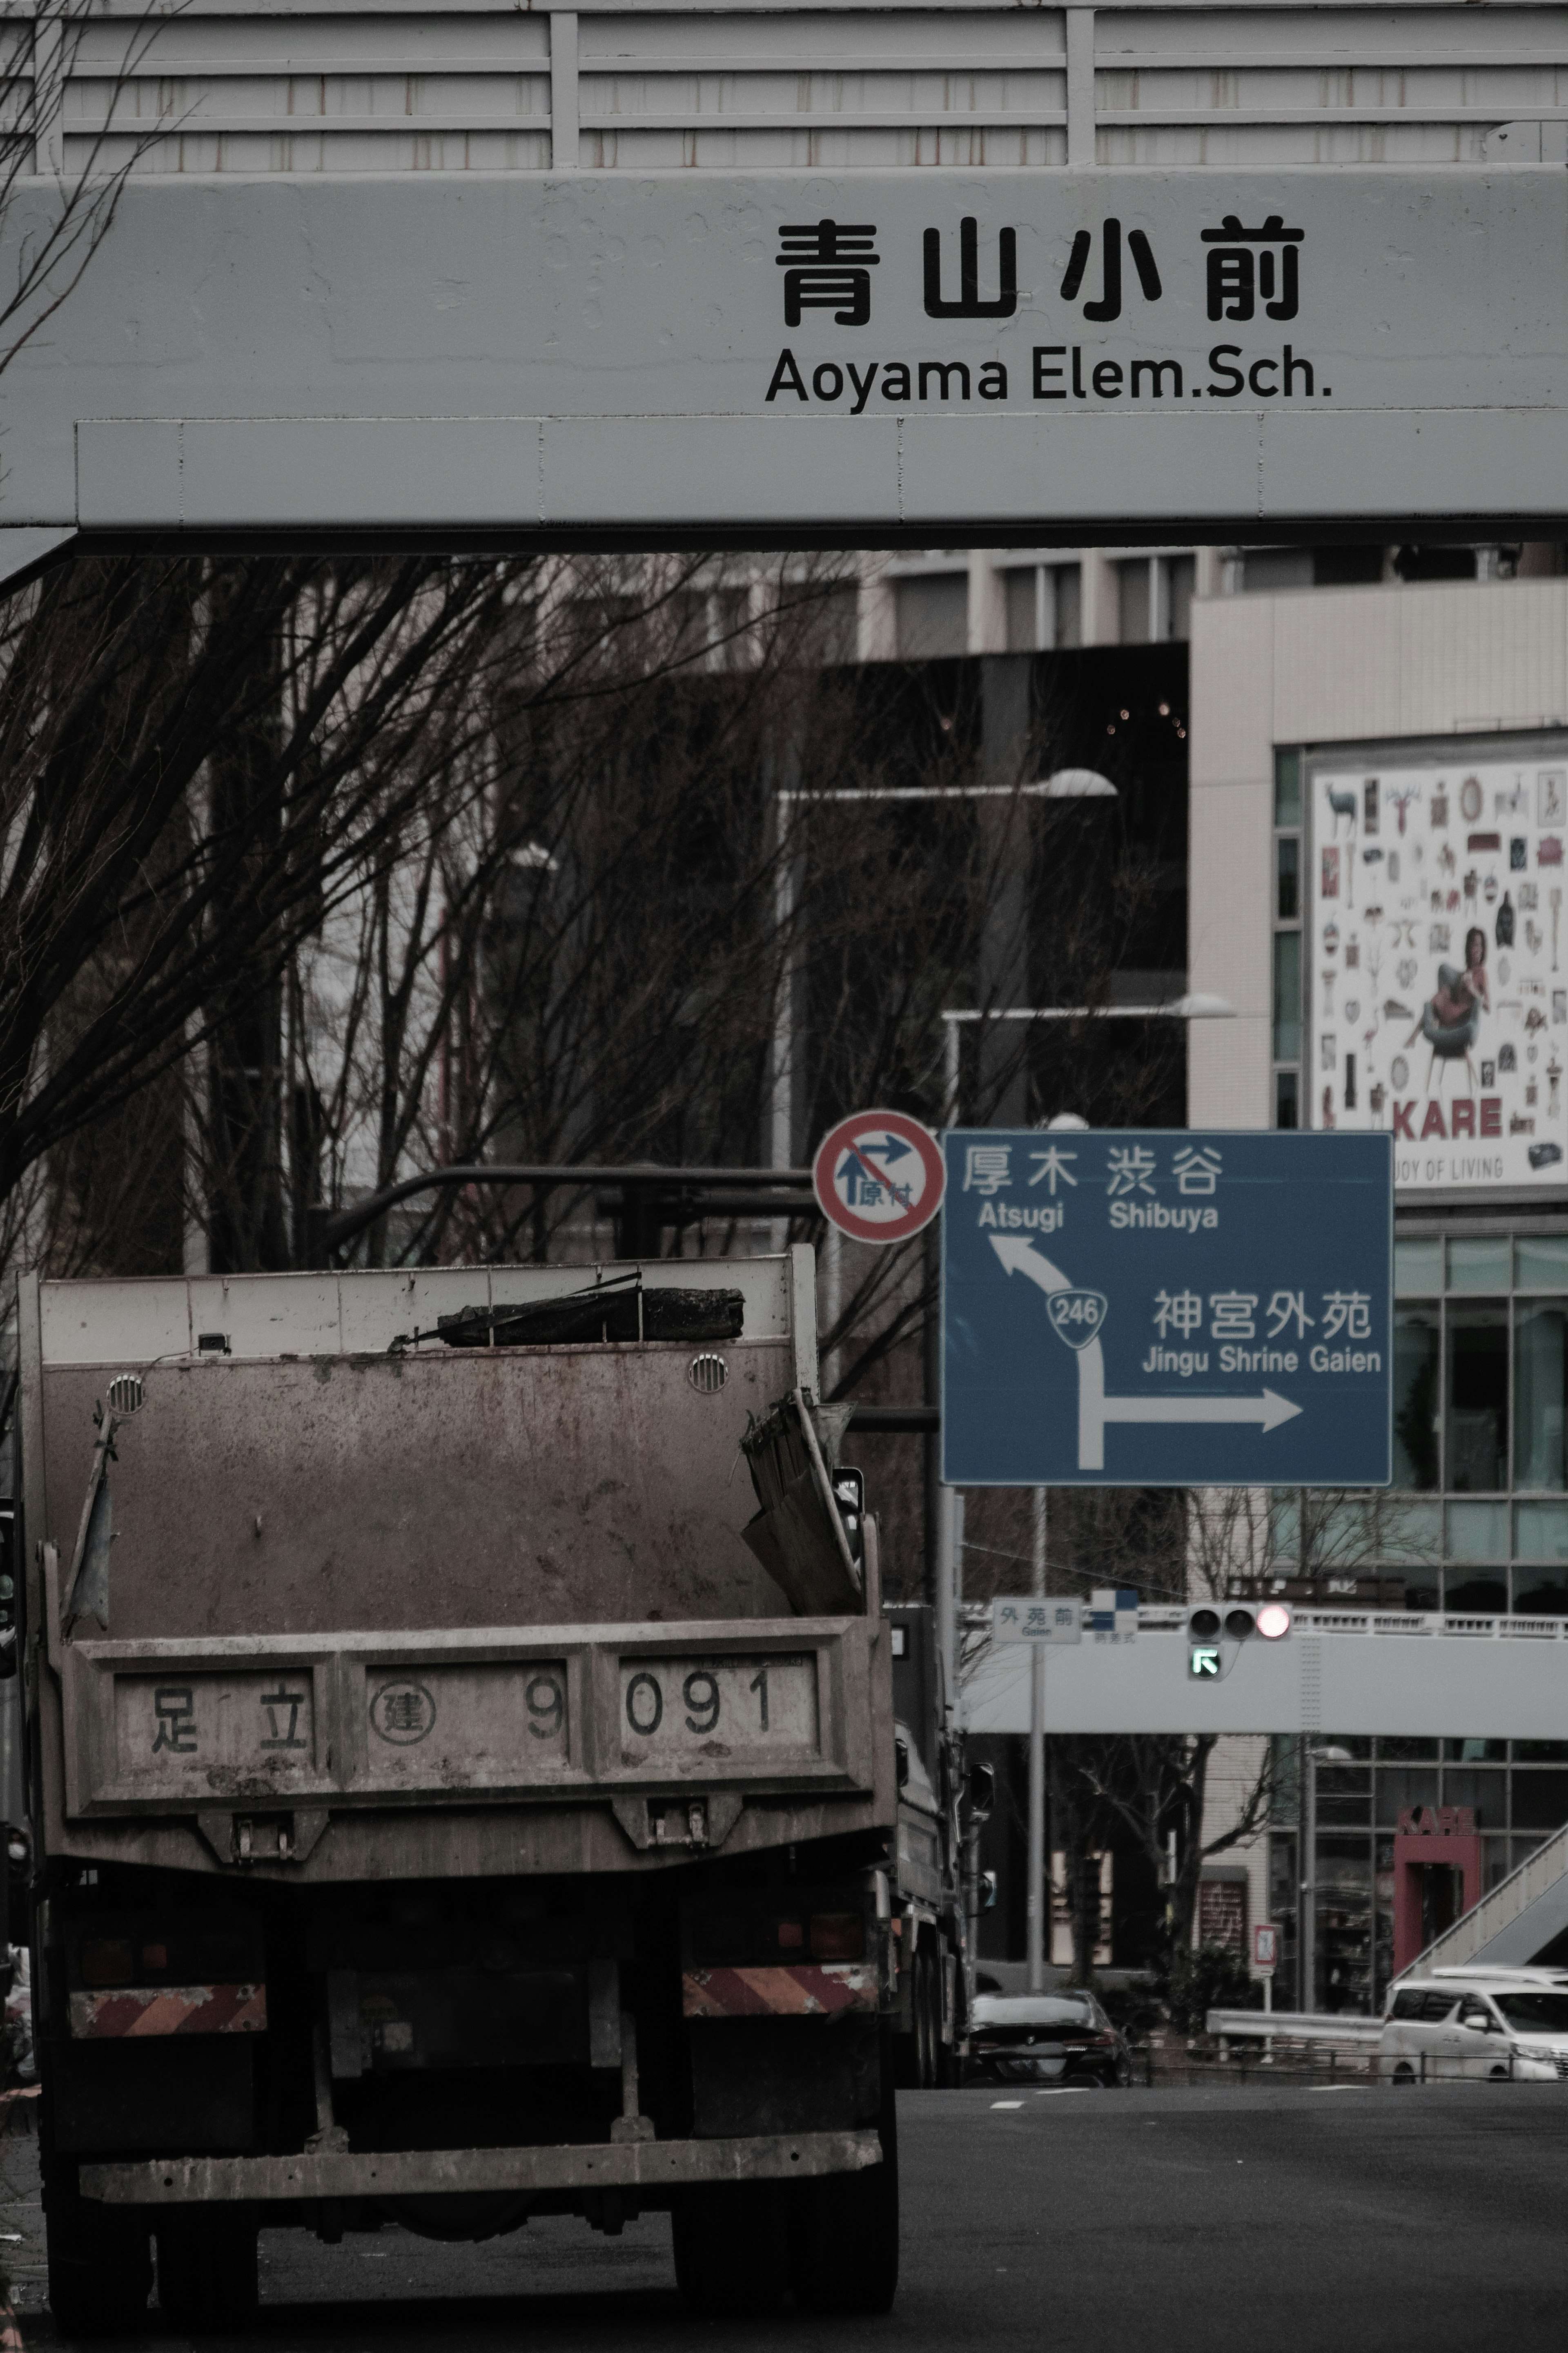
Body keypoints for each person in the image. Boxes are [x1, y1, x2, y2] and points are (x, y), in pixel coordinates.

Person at [1406, 925, 1489, 1048]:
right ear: (1469, 948)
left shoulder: (1482, 973)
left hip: (1462, 1018)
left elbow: (1488, 1007)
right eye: (1474, 946)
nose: (1478, 950)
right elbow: (1457, 998)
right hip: (1453, 1012)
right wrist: (1451, 991)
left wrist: (1473, 990)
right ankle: (1422, 1031)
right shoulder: (1466, 972)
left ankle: (1414, 1037)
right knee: (1439, 997)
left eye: (1480, 946)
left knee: (1436, 1001)